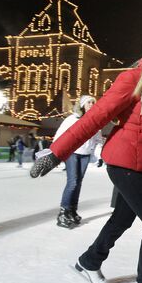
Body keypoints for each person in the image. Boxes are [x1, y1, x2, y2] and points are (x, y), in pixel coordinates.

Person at [29, 28, 142, 283]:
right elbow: (96, 118)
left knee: (124, 218)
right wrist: (56, 154)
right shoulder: (133, 78)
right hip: (123, 160)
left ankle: (89, 261)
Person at [53, 95, 103, 228]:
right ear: (82, 105)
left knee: (78, 183)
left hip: (85, 154)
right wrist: (56, 153)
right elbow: (60, 135)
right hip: (72, 153)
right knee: (73, 182)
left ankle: (72, 210)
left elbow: (98, 140)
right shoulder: (73, 119)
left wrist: (99, 155)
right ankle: (63, 212)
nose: (91, 104)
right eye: (89, 102)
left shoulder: (95, 120)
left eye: (93, 102)